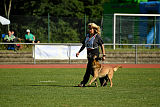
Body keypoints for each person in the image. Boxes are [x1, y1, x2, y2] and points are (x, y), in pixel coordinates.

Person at [76, 23, 106, 87]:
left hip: (95, 54)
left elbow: (102, 45)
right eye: (89, 29)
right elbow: (84, 45)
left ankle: (83, 83)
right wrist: (79, 52)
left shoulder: (97, 36)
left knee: (88, 69)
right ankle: (103, 79)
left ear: (94, 29)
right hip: (89, 54)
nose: (89, 30)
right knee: (92, 70)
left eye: (91, 29)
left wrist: (104, 55)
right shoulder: (87, 36)